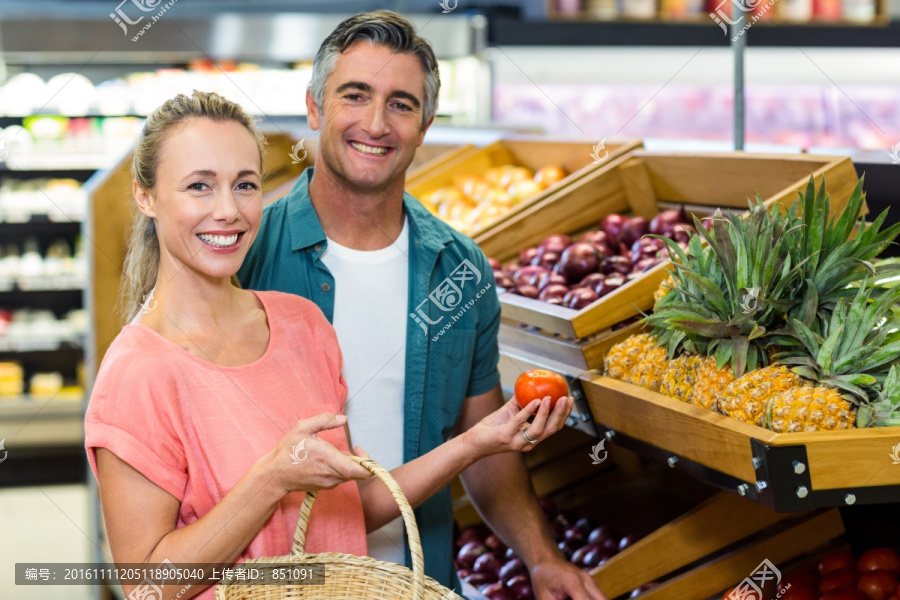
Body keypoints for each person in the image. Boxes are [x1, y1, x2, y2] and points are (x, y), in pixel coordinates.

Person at [84, 90, 573, 600]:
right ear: (146, 196)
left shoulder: (303, 325)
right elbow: (146, 588)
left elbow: (346, 509)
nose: (228, 211)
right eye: (199, 186)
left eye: (244, 185)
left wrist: (476, 443)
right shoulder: (136, 373)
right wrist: (270, 480)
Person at [237, 10, 607, 600]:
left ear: (426, 124)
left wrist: (540, 558)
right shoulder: (247, 252)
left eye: (402, 104)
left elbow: (481, 442)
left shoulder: (460, 272)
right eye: (354, 95)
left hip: (421, 585)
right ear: (314, 107)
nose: (376, 123)